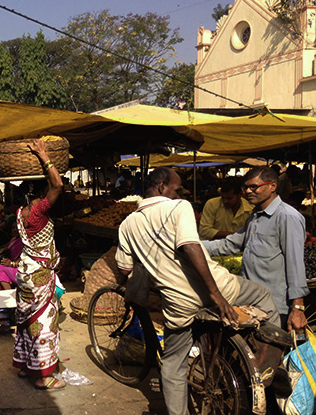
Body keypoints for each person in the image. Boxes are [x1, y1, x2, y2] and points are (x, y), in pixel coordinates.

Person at [116, 167, 279, 415]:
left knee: (172, 364)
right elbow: (190, 246)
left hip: (178, 304)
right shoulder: (178, 207)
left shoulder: (128, 224)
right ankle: (268, 366)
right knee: (263, 295)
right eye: (177, 188)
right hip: (217, 289)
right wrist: (215, 295)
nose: (179, 192)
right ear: (162, 187)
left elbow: (124, 267)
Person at [203, 166, 309, 331]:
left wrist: (298, 308)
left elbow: (295, 264)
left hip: (276, 306)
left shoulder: (287, 217)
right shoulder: (254, 216)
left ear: (272, 186)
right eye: (246, 187)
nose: (248, 191)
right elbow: (229, 244)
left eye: (254, 187)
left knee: (274, 353)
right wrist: (192, 246)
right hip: (253, 302)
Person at [12, 139, 65, 390]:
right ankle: (43, 374)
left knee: (25, 319)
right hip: (40, 275)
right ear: (39, 193)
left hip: (25, 272)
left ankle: (24, 365)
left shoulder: (20, 213)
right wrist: (44, 156)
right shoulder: (39, 211)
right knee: (43, 322)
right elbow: (58, 183)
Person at [0, 219, 23, 290]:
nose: (15, 230)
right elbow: (4, 248)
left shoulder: (24, 242)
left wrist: (12, 263)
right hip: (13, 267)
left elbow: (24, 258)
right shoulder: (13, 240)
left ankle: (8, 291)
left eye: (17, 227)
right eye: (13, 228)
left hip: (21, 270)